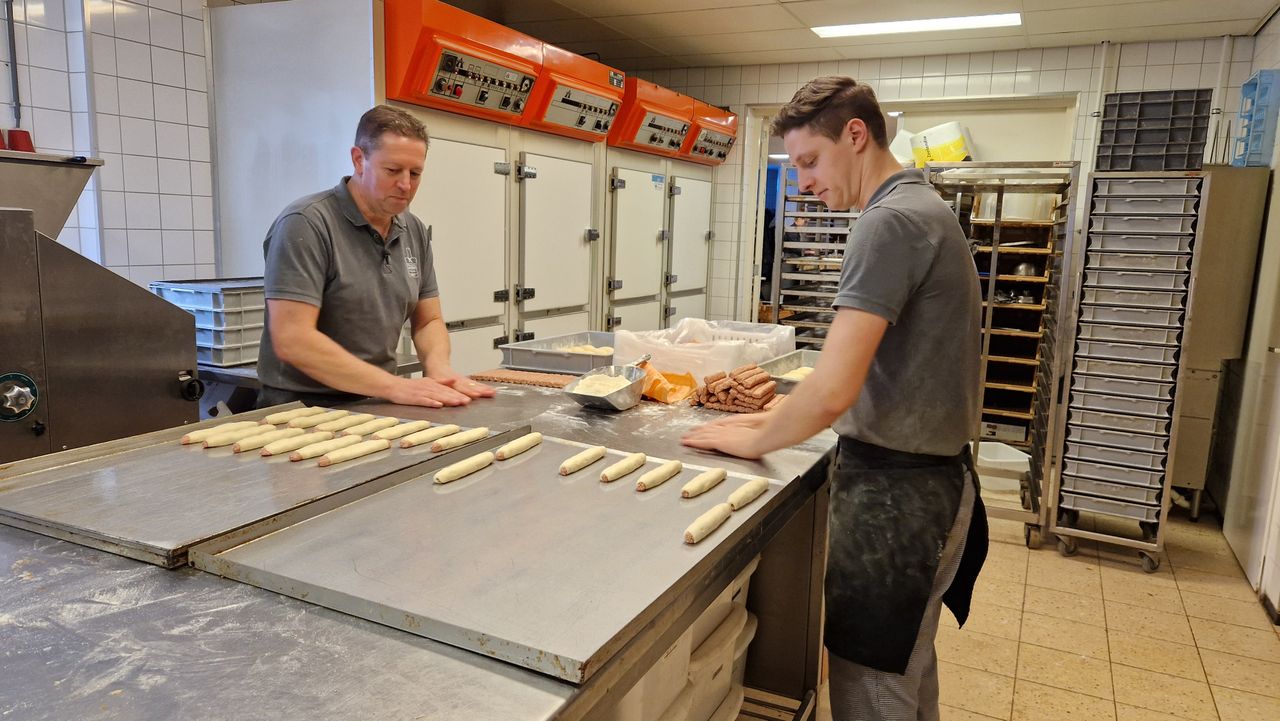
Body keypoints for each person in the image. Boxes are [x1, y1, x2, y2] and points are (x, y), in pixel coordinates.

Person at [683, 77, 988, 721]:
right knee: (906, 672)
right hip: (931, 484)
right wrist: (773, 411)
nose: (803, 182)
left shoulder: (890, 222)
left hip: (899, 505)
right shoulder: (921, 207)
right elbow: (873, 372)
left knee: (873, 689)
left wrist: (752, 436)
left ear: (856, 135)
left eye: (809, 162)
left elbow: (833, 389)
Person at [256, 105, 495, 409]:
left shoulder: (413, 229)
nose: (406, 185)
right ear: (359, 159)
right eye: (393, 170)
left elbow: (428, 320)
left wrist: (439, 370)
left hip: (375, 403)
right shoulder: (307, 223)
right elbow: (293, 339)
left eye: (415, 173)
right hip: (301, 408)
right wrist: (396, 387)